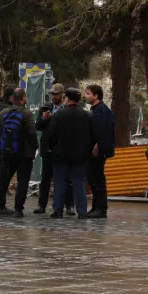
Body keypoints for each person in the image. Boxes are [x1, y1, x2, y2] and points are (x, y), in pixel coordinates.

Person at [0, 88, 38, 217]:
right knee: (23, 181)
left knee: (2, 180)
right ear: (24, 98)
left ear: (13, 98)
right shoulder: (27, 113)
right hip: (25, 154)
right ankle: (18, 209)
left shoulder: (3, 113)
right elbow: (32, 133)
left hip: (7, 152)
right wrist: (35, 147)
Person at [45, 88, 94, 219]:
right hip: (80, 156)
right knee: (79, 183)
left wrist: (52, 148)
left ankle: (58, 210)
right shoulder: (87, 115)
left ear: (66, 98)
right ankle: (82, 211)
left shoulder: (59, 115)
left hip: (61, 154)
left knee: (60, 182)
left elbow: (51, 134)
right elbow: (92, 136)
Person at [34, 83, 74, 215]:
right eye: (52, 94)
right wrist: (43, 119)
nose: (53, 97)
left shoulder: (68, 108)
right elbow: (38, 126)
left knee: (65, 178)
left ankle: (69, 205)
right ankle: (42, 205)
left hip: (63, 148)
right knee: (46, 178)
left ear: (62, 95)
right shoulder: (46, 108)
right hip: (48, 148)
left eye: (56, 94)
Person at [85, 84, 115, 219]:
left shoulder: (102, 110)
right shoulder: (96, 110)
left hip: (98, 152)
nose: (86, 96)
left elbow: (104, 131)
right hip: (93, 151)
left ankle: (101, 208)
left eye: (88, 93)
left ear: (96, 95)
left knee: (97, 179)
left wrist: (97, 147)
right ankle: (96, 206)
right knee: (93, 179)